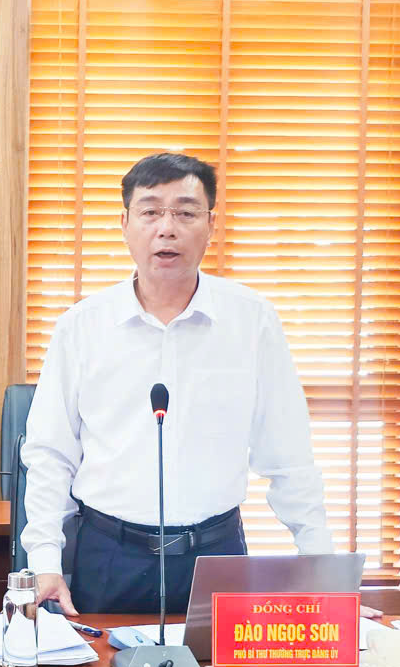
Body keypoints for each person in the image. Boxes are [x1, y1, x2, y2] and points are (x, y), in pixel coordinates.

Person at [20, 152, 335, 616]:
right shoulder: (82, 327)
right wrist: (45, 560)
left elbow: (288, 455)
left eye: (186, 213)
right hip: (109, 554)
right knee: (102, 666)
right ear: (125, 223)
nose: (167, 229)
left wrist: (322, 568)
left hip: (216, 553)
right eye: (150, 212)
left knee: (218, 666)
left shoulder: (252, 321)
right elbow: (51, 454)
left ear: (210, 224)